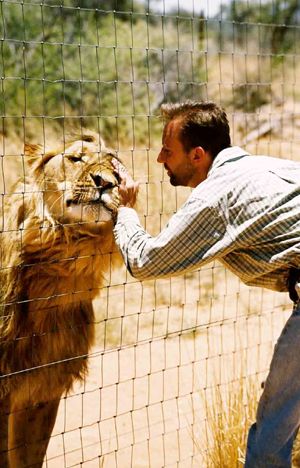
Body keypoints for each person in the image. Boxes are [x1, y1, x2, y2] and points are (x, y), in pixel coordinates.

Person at [112, 100, 300, 467]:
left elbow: (145, 261)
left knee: (269, 443)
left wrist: (125, 212)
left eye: (168, 150)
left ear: (197, 155)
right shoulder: (272, 166)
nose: (159, 159)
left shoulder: (215, 197)